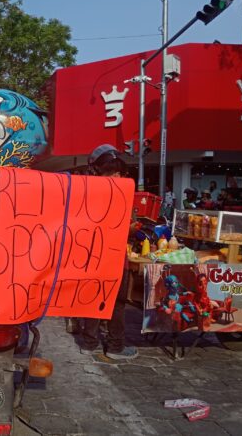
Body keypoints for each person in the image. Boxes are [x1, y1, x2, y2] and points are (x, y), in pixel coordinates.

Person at [78, 144, 138, 359]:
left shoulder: (85, 192)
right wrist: (132, 228)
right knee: (116, 302)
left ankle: (89, 343)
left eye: (119, 172)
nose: (117, 176)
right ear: (98, 171)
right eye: (112, 171)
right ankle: (115, 347)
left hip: (91, 256)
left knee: (93, 299)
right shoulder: (117, 194)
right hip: (109, 257)